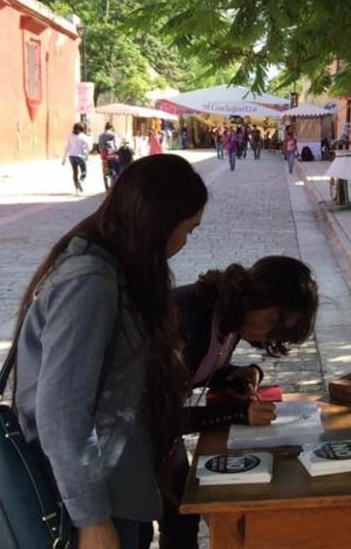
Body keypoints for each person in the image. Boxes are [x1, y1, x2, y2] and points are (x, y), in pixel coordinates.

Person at [14, 154, 208, 549]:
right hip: (88, 501)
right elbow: (62, 411)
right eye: (186, 230)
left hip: (116, 488)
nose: (185, 243)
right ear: (157, 222)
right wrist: (92, 519)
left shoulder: (114, 269)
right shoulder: (91, 280)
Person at [150, 256, 320, 548]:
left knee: (181, 519)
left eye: (281, 332)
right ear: (261, 294)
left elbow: (196, 369)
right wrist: (238, 414)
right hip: (129, 434)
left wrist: (231, 375)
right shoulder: (193, 315)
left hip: (157, 434)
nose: (271, 334)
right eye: (275, 322)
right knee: (139, 527)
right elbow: (160, 413)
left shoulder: (230, 321)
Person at [62, 122, 92, 195]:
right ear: (82, 129)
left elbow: (67, 147)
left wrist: (64, 158)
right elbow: (88, 146)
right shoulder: (83, 136)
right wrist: (86, 154)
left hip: (71, 156)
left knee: (75, 173)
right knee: (84, 172)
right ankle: (81, 181)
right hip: (80, 156)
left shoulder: (70, 136)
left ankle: (76, 190)